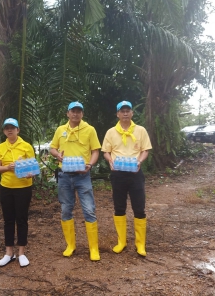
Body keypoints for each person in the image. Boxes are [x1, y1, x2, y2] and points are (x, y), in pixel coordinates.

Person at [50, 101, 101, 261]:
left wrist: (90, 165)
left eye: (79, 111)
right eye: (73, 111)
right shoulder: (60, 130)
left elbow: (95, 150)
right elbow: (52, 148)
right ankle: (70, 245)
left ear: (82, 114)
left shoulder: (89, 129)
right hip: (64, 175)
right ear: (68, 113)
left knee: (89, 209)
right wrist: (57, 155)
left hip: (82, 175)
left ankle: (94, 248)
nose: (75, 114)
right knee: (66, 209)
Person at [102, 101, 152, 257]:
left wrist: (140, 161)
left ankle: (140, 244)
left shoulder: (140, 130)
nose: (125, 113)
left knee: (139, 207)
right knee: (119, 207)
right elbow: (106, 151)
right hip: (118, 173)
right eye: (122, 111)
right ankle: (121, 242)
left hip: (135, 172)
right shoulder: (111, 132)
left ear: (132, 113)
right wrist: (110, 161)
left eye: (127, 110)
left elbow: (145, 150)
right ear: (117, 114)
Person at [0, 118, 35, 268]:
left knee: (22, 219)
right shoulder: (0, 147)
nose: (9, 130)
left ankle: (22, 253)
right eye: (7, 128)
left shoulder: (26, 146)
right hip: (6, 187)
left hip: (23, 188)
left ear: (18, 130)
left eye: (13, 128)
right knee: (8, 220)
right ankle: (8, 253)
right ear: (4, 131)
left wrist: (29, 173)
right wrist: (7, 168)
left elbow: (33, 169)